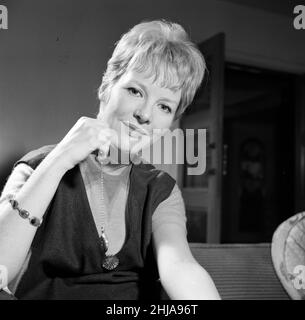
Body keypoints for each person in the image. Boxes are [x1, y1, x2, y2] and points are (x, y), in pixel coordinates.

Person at [0, 19, 220, 300]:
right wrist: (59, 160)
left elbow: (180, 266)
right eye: (135, 91)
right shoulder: (37, 166)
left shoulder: (160, 189)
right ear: (107, 87)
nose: (145, 115)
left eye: (164, 106)